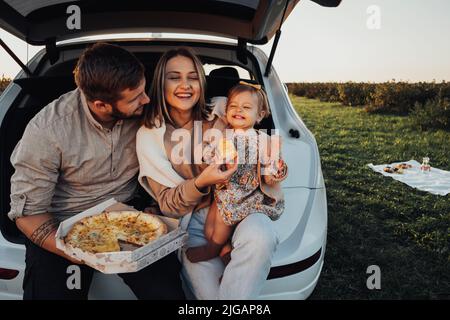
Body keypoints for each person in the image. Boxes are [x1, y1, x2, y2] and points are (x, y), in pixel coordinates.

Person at [8, 43, 185, 300]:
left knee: (167, 293)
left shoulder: (147, 107)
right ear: (102, 105)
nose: (146, 100)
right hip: (64, 225)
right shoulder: (48, 129)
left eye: (143, 90)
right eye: (135, 97)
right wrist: (83, 252)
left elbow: (195, 116)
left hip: (130, 217)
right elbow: (29, 215)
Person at [137, 47, 280, 299]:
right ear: (160, 82)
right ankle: (221, 252)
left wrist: (273, 168)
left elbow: (258, 139)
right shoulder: (150, 135)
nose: (185, 85)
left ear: (202, 81)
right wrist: (203, 181)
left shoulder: (225, 110)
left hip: (244, 205)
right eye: (174, 77)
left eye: (193, 77)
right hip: (196, 220)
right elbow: (169, 204)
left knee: (261, 236)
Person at [185, 82, 288, 263]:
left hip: (246, 193)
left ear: (259, 115)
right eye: (233, 106)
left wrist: (277, 169)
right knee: (209, 229)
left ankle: (212, 249)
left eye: (246, 107)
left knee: (223, 224)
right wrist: (209, 155)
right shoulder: (223, 135)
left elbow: (269, 173)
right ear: (226, 112)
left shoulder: (263, 140)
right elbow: (210, 155)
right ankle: (225, 249)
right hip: (223, 190)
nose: (238, 110)